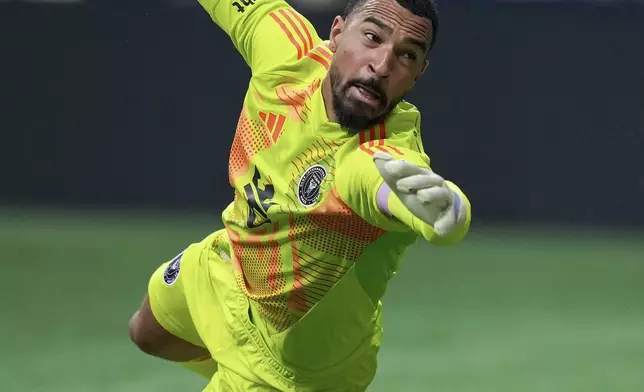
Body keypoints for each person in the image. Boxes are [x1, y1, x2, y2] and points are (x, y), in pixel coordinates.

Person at [128, 0, 472, 390]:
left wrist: (449, 215)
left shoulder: (384, 154)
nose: (382, 65)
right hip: (230, 267)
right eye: (372, 37)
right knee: (147, 332)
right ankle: (228, 360)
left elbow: (383, 185)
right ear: (338, 33)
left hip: (293, 362)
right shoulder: (286, 55)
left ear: (417, 75)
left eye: (407, 56)